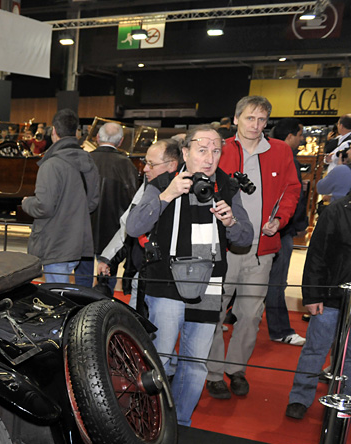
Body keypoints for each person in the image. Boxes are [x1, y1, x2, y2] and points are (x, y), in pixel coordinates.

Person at [126, 125, 254, 426]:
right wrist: (167, 195)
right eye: (202, 149)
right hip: (165, 281)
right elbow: (133, 227)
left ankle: (180, 423)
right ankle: (147, 423)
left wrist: (231, 221)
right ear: (185, 152)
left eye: (216, 150)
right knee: (160, 359)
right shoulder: (162, 182)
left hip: (209, 285)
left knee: (195, 364)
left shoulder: (226, 186)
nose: (209, 157)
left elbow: (245, 237)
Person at [204, 96, 302, 400]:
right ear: (236, 119)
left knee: (250, 314)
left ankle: (236, 370)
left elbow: (292, 189)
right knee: (215, 312)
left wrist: (280, 219)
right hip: (223, 247)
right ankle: (213, 372)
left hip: (262, 247)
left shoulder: (281, 151)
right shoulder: (220, 149)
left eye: (262, 120)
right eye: (250, 119)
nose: (256, 126)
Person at [285, 194, 351, 419]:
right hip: (330, 296)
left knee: (350, 355)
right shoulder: (334, 211)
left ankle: (345, 399)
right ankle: (300, 397)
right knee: (315, 349)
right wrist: (312, 295)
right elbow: (316, 256)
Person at [97, 138, 181, 313]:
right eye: (145, 162)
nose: (145, 169)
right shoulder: (147, 186)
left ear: (172, 165)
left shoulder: (190, 189)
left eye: (151, 164)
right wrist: (108, 258)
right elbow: (128, 226)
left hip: (174, 277)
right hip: (144, 271)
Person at [21, 109, 100, 284]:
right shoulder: (88, 161)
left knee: (57, 298)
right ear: (76, 132)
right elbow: (92, 202)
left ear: (54, 131)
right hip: (79, 241)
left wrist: (27, 203)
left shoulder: (52, 164)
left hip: (56, 243)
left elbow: (44, 206)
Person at [265, 118, 310, 346]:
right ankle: (280, 329)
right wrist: (297, 224)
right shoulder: (285, 157)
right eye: (300, 135)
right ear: (290, 135)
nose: (302, 140)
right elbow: (294, 197)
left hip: (274, 227)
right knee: (276, 283)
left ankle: (229, 314)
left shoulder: (271, 154)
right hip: (280, 230)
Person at [89, 121, 141, 292]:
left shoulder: (85, 161)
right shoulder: (126, 165)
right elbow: (135, 202)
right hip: (113, 233)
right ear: (120, 141)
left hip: (84, 231)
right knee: (106, 282)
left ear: (97, 138)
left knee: (81, 279)